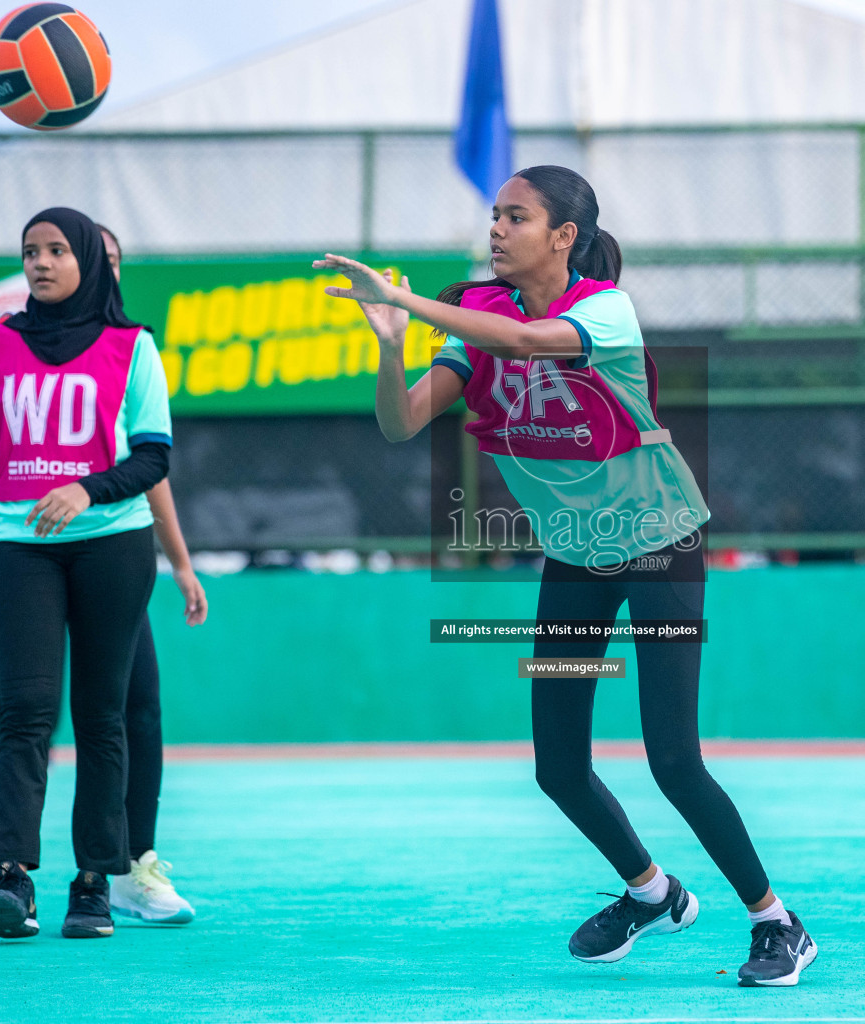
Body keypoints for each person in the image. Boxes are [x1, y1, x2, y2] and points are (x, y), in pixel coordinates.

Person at [313, 165, 815, 987]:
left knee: (674, 760)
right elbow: (402, 421)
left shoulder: (604, 311)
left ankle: (777, 923)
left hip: (659, 544)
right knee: (556, 764)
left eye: (517, 217)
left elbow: (519, 345)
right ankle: (651, 893)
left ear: (564, 236)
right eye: (495, 216)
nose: (497, 230)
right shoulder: (479, 313)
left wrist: (411, 301)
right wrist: (391, 338)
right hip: (576, 557)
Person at [0, 224, 204, 933]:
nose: (40, 264)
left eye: (55, 251)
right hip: (18, 549)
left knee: (105, 719)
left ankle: (94, 884)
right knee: (23, 713)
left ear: (88, 264)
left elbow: (152, 461)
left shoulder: (133, 347)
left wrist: (87, 489)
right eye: (29, 252)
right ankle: (9, 878)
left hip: (112, 545)